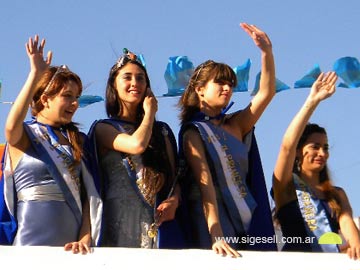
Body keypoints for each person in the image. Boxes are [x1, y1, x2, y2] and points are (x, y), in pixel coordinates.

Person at [177, 22, 277, 257]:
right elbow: (205, 183)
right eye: (220, 83)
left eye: (230, 84)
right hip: (211, 218)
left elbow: (267, 93)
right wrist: (216, 233)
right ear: (200, 89)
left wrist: (267, 52)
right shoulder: (193, 131)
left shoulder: (237, 124)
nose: (227, 88)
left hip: (245, 217)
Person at [0, 35, 102, 254]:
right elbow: (10, 126)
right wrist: (35, 75)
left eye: (77, 96)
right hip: (28, 244)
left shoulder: (79, 140)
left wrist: (85, 238)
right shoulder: (25, 134)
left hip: (71, 249)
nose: (75, 103)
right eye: (67, 96)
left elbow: (89, 198)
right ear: (45, 98)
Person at [88, 48, 182, 248]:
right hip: (117, 221)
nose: (135, 84)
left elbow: (175, 180)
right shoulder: (103, 128)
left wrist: (174, 200)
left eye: (141, 78)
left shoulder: (162, 131)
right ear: (114, 84)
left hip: (155, 221)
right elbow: (136, 145)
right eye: (127, 77)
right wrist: (149, 113)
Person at [272, 71, 360, 260]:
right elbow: (286, 146)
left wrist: (355, 246)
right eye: (315, 147)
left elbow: (351, 232)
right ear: (298, 151)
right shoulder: (285, 188)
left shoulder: (336, 194)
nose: (322, 153)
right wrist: (312, 101)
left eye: (325, 148)